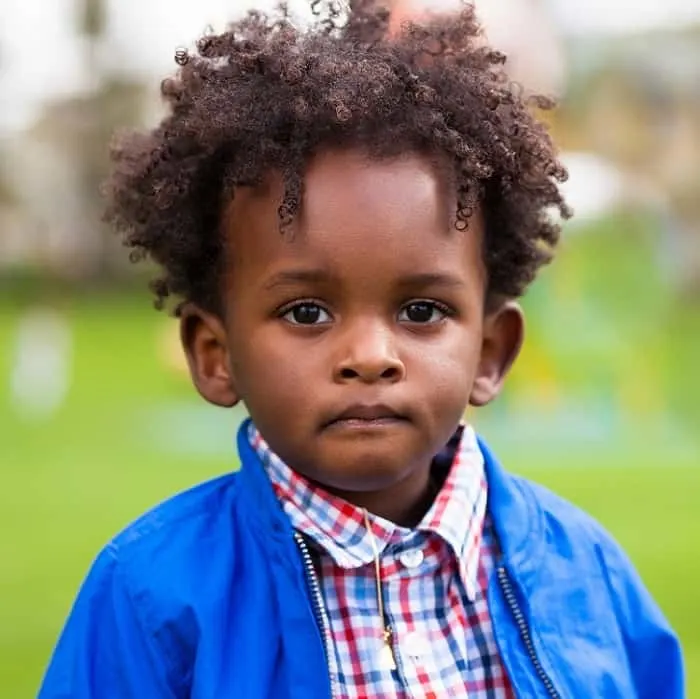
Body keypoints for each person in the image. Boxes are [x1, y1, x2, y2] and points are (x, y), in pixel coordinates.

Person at [38, 1, 684, 697]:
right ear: (215, 352)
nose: (371, 354)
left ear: (491, 351)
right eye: (307, 311)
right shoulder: (152, 597)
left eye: (421, 310)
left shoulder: (583, 574)